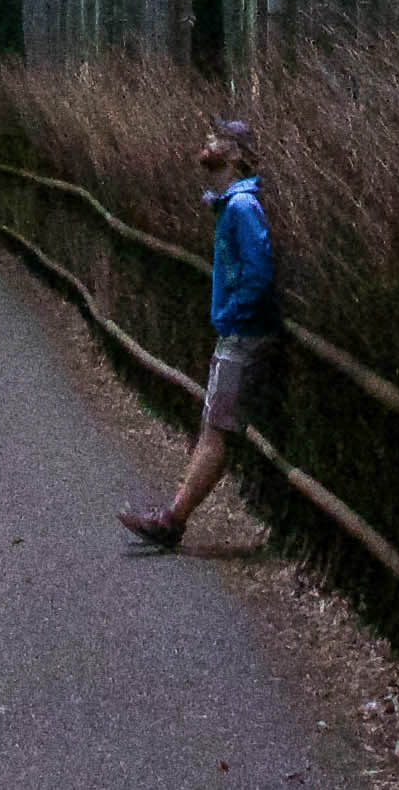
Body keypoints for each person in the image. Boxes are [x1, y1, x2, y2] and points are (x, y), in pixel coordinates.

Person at [119, 116, 278, 550]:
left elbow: (259, 272)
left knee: (216, 427)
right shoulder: (230, 204)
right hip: (238, 331)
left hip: (243, 334)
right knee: (214, 424)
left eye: (220, 138)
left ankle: (172, 521)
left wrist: (233, 314)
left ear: (237, 155)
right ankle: (171, 518)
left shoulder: (243, 208)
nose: (208, 141)